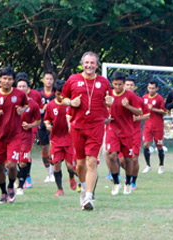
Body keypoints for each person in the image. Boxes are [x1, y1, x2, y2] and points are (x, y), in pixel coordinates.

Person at [61, 51, 112, 211]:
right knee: (80, 164)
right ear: (82, 64)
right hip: (77, 126)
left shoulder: (103, 82)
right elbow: (61, 99)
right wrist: (70, 101)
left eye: (92, 63)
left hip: (96, 126)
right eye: (87, 62)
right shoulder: (73, 79)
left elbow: (108, 100)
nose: (89, 65)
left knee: (91, 161)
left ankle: (89, 197)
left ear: (97, 65)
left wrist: (110, 101)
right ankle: (84, 187)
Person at [0, 66, 27, 204]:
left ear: (13, 80)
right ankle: (3, 192)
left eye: (9, 79)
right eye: (4, 79)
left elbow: (26, 105)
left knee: (12, 165)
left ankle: (10, 186)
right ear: (0, 80)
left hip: (15, 135)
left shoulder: (19, 94)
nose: (7, 81)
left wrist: (22, 109)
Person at [105, 71, 142, 195]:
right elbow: (102, 111)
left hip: (127, 131)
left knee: (128, 159)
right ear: (112, 83)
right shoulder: (108, 94)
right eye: (115, 84)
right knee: (111, 155)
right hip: (112, 130)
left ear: (124, 84)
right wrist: (106, 116)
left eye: (120, 84)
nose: (118, 87)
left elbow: (139, 112)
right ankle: (116, 183)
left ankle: (128, 183)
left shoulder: (130, 96)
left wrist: (128, 107)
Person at [44, 80, 78, 197]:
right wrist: (48, 125)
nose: (61, 96)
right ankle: (60, 189)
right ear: (55, 93)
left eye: (63, 94)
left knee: (70, 166)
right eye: (58, 94)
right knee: (57, 164)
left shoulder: (71, 105)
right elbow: (47, 119)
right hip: (56, 140)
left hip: (70, 139)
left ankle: (72, 177)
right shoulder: (50, 105)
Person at [118, 76, 149, 190]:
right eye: (127, 85)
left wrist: (137, 119)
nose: (129, 87)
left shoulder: (139, 100)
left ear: (135, 87)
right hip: (121, 133)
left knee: (134, 158)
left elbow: (147, 115)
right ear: (123, 86)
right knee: (122, 160)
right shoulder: (118, 98)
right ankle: (128, 175)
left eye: (131, 85)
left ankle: (133, 181)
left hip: (134, 133)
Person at [15, 73, 41, 196]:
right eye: (19, 86)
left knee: (23, 162)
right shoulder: (11, 102)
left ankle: (20, 186)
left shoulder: (33, 104)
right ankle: (16, 178)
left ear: (28, 89)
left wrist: (30, 126)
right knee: (9, 162)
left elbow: (38, 121)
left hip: (26, 136)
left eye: (23, 86)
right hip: (12, 136)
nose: (21, 88)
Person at [142, 80, 167, 174]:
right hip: (148, 125)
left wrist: (154, 109)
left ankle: (161, 165)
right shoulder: (144, 97)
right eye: (149, 88)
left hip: (158, 125)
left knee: (159, 146)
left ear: (157, 88)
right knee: (145, 144)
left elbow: (164, 112)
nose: (151, 90)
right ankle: (148, 165)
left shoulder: (159, 98)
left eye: (153, 88)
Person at [37, 71, 56, 184]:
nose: (48, 81)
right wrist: (42, 109)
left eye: (50, 79)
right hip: (41, 123)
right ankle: (48, 172)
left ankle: (52, 173)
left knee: (53, 147)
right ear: (43, 80)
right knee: (44, 148)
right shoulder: (38, 94)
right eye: (47, 78)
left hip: (53, 123)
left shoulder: (56, 93)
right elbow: (34, 107)